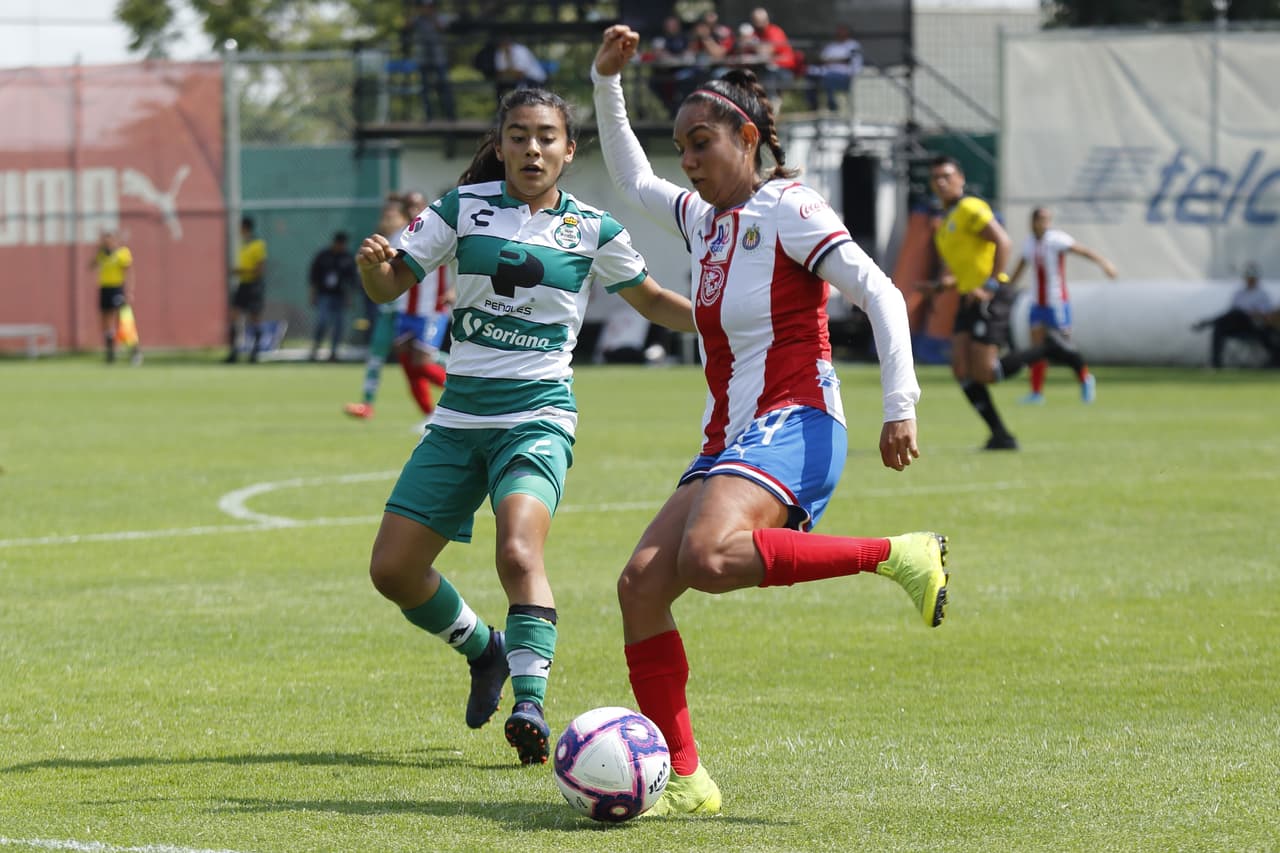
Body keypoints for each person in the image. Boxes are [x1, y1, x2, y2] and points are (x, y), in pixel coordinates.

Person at [592, 25, 949, 816]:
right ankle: (685, 778)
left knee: (710, 556)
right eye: (682, 146)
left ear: (747, 137)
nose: (688, 160)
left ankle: (899, 553)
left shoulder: (790, 206)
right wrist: (606, 82)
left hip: (800, 418)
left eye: (702, 143)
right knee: (641, 585)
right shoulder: (702, 219)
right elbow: (631, 179)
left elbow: (882, 293)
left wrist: (901, 405)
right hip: (731, 438)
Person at [354, 86, 697, 766]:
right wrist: (373, 270)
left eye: (546, 137)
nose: (531, 148)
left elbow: (653, 300)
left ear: (569, 150)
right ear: (502, 143)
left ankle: (531, 702)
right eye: (518, 135)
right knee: (393, 570)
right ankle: (486, 650)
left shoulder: (594, 229)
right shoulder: (460, 210)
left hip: (536, 415)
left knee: (518, 551)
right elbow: (390, 286)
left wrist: (728, 319)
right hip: (458, 418)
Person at [926, 155, 1071, 450]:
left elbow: (1003, 242)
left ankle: (1050, 347)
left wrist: (992, 285)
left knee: (985, 372)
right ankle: (1001, 435)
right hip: (969, 297)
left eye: (947, 176)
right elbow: (967, 267)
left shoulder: (970, 207)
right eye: (936, 178)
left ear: (961, 179)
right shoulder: (945, 223)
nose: (942, 182)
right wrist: (941, 285)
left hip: (989, 294)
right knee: (960, 370)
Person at [344, 192, 449, 422]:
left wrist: (454, 290)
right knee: (408, 367)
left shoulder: (442, 230)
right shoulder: (399, 237)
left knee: (423, 362)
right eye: (409, 206)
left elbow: (461, 260)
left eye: (418, 205)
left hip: (431, 310)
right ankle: (429, 417)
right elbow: (385, 269)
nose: (414, 210)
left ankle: (469, 391)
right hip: (403, 311)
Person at [1006, 207, 1117, 403]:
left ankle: (1085, 379)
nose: (1044, 224)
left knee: (1064, 347)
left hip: (1056, 303)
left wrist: (1104, 263)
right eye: (1040, 219)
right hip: (1037, 304)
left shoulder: (1056, 239)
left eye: (1047, 220)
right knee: (1037, 348)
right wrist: (1005, 289)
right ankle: (1036, 393)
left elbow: (1083, 251)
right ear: (1032, 222)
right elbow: (1020, 267)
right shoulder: (1029, 243)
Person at [1193, 262, 1280, 368]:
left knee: (1238, 313)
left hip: (1252, 325)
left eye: (1252, 278)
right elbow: (1231, 311)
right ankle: (1216, 363)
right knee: (1220, 327)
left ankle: (1207, 322)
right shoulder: (1239, 293)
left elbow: (1266, 315)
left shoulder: (1262, 294)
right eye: (1248, 277)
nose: (1250, 280)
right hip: (1237, 324)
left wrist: (1253, 313)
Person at [91, 231, 140, 365]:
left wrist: (129, 291)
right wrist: (97, 251)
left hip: (117, 289)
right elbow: (91, 266)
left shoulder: (122, 253)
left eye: (109, 240)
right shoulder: (101, 254)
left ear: (115, 240)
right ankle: (110, 354)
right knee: (106, 323)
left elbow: (129, 272)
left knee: (123, 321)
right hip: (104, 289)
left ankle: (135, 351)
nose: (107, 243)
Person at [308, 231, 358, 362]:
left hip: (340, 296)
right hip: (324, 294)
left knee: (338, 325)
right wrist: (313, 294)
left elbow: (352, 280)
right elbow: (314, 276)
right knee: (322, 321)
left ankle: (334, 352)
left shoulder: (347, 258)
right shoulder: (323, 256)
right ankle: (315, 348)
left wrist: (349, 296)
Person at [405, 0, 457, 121]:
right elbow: (406, 26)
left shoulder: (440, 17)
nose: (426, 9)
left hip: (439, 59)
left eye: (429, 6)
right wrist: (414, 13)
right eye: (424, 6)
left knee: (444, 87)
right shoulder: (417, 19)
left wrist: (432, 18)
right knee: (425, 90)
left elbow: (442, 27)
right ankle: (429, 118)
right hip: (423, 59)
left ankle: (450, 116)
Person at [226, 216, 268, 363]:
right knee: (234, 317)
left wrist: (241, 271)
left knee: (254, 319)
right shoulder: (241, 244)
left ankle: (255, 353)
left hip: (254, 285)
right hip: (242, 285)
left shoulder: (258, 245)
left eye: (240, 227)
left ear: (245, 228)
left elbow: (260, 269)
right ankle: (234, 353)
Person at [805, 23, 862, 113]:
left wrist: (833, 61)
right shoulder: (831, 46)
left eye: (842, 31)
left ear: (848, 33)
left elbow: (850, 61)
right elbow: (822, 60)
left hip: (844, 77)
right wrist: (836, 61)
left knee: (829, 79)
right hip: (825, 73)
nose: (839, 33)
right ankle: (813, 107)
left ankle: (833, 107)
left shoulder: (853, 45)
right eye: (838, 31)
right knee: (810, 76)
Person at [492, 36, 548, 100]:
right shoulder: (500, 51)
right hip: (515, 79)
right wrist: (511, 72)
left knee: (526, 96)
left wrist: (508, 72)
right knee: (500, 86)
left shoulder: (520, 50)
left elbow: (520, 73)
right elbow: (499, 73)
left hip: (534, 79)